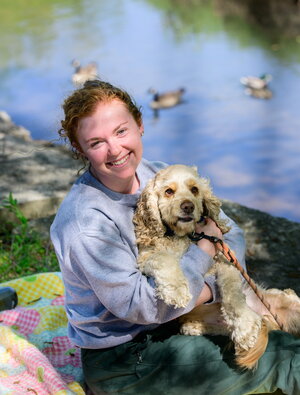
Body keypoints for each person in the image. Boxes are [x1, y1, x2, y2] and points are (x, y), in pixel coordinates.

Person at [50, 80, 300, 395]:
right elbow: (143, 305)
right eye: (97, 141)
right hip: (128, 357)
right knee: (281, 357)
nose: (115, 149)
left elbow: (229, 229)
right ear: (80, 149)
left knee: (288, 315)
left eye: (121, 131)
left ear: (140, 126)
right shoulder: (85, 221)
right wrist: (210, 267)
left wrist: (215, 275)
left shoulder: (159, 174)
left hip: (181, 319)